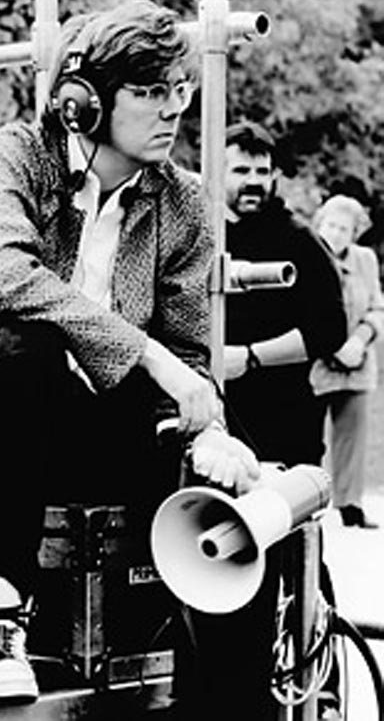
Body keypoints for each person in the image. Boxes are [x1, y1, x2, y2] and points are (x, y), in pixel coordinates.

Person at [0, 0, 259, 705]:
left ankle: (230, 701)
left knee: (239, 497)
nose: (173, 109)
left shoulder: (184, 202)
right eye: (151, 91)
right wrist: (147, 355)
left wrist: (208, 433)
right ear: (84, 100)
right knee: (25, 349)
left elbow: (186, 351)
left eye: (181, 89)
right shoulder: (15, 155)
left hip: (86, 424)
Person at [197, 121, 346, 720]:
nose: (254, 181)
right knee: (225, 562)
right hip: (214, 429)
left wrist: (249, 358)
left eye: (263, 170)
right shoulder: (196, 234)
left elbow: (329, 331)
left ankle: (322, 689)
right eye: (241, 169)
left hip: (285, 424)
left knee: (299, 559)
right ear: (216, 172)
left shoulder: (300, 241)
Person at [310, 194, 384, 528]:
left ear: (355, 233)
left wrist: (360, 340)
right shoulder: (307, 253)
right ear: (319, 223)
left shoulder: (365, 260)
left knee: (353, 437)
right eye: (331, 225)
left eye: (344, 228)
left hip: (358, 363)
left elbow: (378, 307)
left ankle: (351, 505)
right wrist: (333, 348)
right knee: (308, 440)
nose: (336, 233)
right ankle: (307, 506)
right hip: (316, 364)